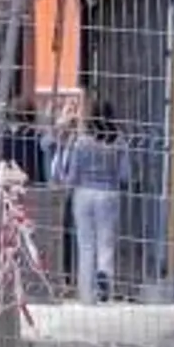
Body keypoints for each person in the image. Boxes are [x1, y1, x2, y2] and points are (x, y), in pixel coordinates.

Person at [57, 101, 131, 304]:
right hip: (108, 194)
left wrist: (67, 184)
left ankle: (87, 296)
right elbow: (125, 176)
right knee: (106, 242)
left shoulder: (82, 142)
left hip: (83, 194)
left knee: (86, 245)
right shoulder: (119, 142)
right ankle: (104, 278)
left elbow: (72, 175)